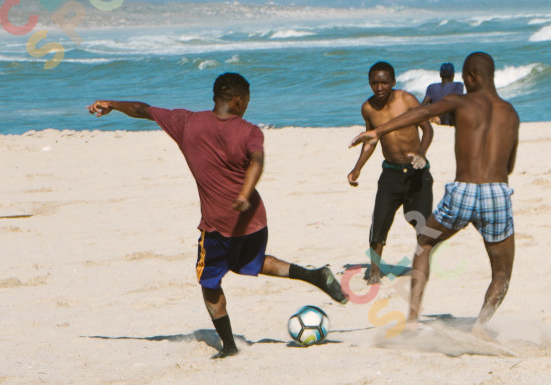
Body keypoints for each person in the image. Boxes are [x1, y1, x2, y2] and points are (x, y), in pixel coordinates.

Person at [89, 73, 347, 358]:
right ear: (238, 100)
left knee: (209, 282)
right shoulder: (250, 131)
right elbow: (257, 162)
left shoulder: (185, 122)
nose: (247, 106)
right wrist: (246, 194)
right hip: (254, 222)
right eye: (247, 101)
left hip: (217, 227)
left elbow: (144, 110)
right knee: (251, 262)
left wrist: (111, 103)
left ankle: (229, 346)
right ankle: (314, 276)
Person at [348, 52, 520, 337]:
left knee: (425, 243)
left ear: (471, 78)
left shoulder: (460, 101)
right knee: (501, 273)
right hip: (497, 193)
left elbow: (420, 114)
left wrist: (378, 130)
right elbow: (509, 166)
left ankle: (413, 319)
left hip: (463, 190)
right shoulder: (511, 113)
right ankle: (481, 324)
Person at [346, 62, 434, 283]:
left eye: (384, 82)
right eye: (374, 82)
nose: (379, 87)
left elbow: (427, 129)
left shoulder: (406, 100)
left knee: (423, 224)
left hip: (417, 173)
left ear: (393, 82)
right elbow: (371, 141)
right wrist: (356, 169)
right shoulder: (368, 108)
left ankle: (422, 268)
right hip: (391, 173)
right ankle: (375, 271)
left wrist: (421, 154)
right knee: (379, 223)